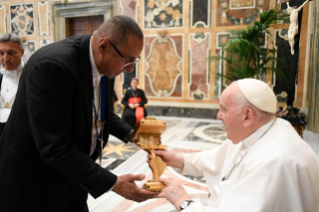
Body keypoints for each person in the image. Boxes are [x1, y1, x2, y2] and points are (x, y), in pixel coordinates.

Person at [0, 15, 156, 212]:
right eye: (128, 60)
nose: (130, 69)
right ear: (103, 46)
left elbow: (101, 113)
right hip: (35, 183)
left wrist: (132, 134)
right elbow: (54, 147)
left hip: (74, 177)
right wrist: (113, 183)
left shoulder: (106, 66)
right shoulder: (53, 66)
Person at [150, 78, 319, 211]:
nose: (218, 116)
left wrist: (182, 200)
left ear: (247, 116)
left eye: (223, 109)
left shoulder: (274, 163)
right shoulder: (261, 129)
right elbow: (216, 159)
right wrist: (176, 159)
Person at [0, 33, 24, 136]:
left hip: (21, 134)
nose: (5, 58)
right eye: (1, 53)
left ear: (22, 52)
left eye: (11, 53)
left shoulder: (31, 76)